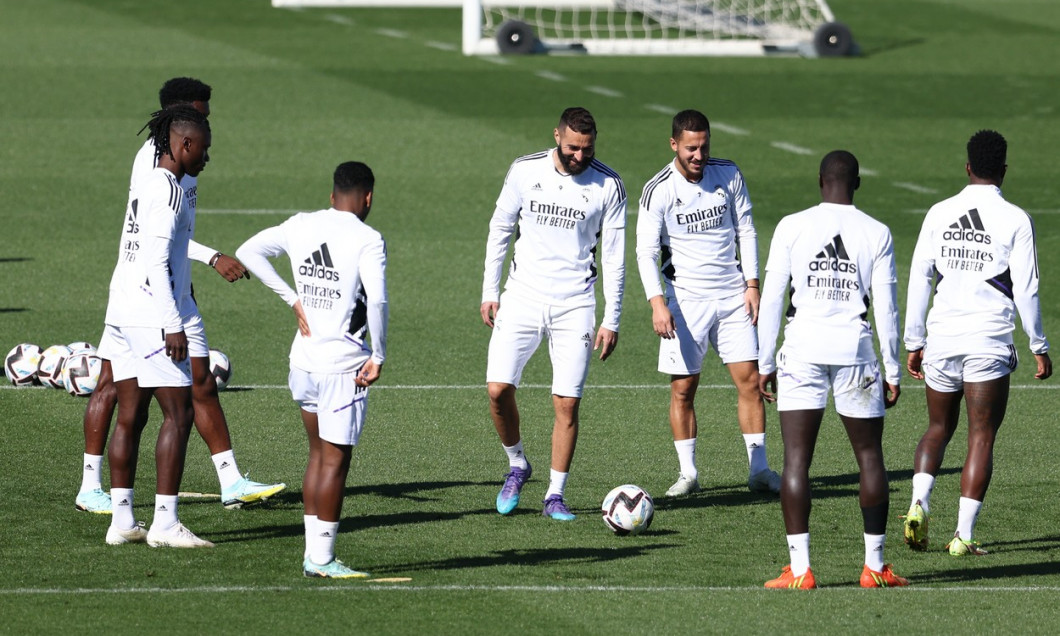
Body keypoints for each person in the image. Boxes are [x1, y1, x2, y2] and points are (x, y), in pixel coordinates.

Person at [76, 77, 285, 515]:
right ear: (181, 125)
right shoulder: (156, 164)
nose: (209, 126)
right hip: (152, 297)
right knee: (127, 393)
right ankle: (102, 491)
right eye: (201, 116)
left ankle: (230, 480)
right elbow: (152, 239)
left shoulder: (179, 161)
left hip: (161, 291)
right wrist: (209, 259)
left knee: (200, 382)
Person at [758, 150, 907, 589]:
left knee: (796, 461)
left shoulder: (792, 226)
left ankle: (801, 571)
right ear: (857, 183)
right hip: (855, 353)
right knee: (869, 458)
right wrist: (893, 368)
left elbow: (771, 299)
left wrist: (765, 361)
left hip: (801, 350)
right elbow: (887, 309)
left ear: (820, 180)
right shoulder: (876, 232)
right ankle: (875, 568)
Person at [902, 130, 1051, 557]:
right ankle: (962, 536)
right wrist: (1038, 344)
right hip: (988, 341)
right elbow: (1027, 289)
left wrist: (915, 341)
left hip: (942, 339)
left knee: (937, 429)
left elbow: (919, 278)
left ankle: (918, 504)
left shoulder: (938, 212)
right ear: (1004, 170)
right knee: (980, 436)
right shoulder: (1016, 219)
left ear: (966, 167)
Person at [236, 161, 388, 579]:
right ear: (368, 198)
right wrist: (379, 354)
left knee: (318, 455)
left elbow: (248, 251)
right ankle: (321, 559)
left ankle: (314, 553)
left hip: (302, 361)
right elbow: (376, 302)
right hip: (343, 367)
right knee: (335, 463)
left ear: (331, 194)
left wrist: (293, 300)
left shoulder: (301, 223)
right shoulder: (368, 239)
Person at [481, 107, 626, 521]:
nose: (579, 157)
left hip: (575, 305)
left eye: (587, 148)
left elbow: (614, 258)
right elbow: (500, 228)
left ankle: (555, 495)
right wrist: (490, 291)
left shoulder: (609, 185)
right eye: (571, 148)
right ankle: (517, 464)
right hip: (522, 297)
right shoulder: (525, 170)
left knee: (566, 403)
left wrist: (611, 317)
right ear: (557, 137)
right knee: (497, 391)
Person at [636, 109, 779, 497]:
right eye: (691, 148)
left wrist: (752, 284)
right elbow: (645, 251)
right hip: (686, 302)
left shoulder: (728, 174)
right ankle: (688, 474)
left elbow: (746, 228)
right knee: (684, 388)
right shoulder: (658, 189)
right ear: (674, 145)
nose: (699, 155)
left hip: (733, 298)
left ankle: (759, 469)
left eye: (704, 146)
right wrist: (657, 303)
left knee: (750, 382)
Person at [100, 105, 215, 548]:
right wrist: (173, 323)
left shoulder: (147, 181)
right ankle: (165, 524)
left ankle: (122, 520)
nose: (206, 158)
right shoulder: (168, 192)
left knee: (130, 415)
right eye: (203, 149)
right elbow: (156, 261)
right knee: (179, 412)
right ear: (184, 144)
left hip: (124, 311)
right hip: (152, 315)